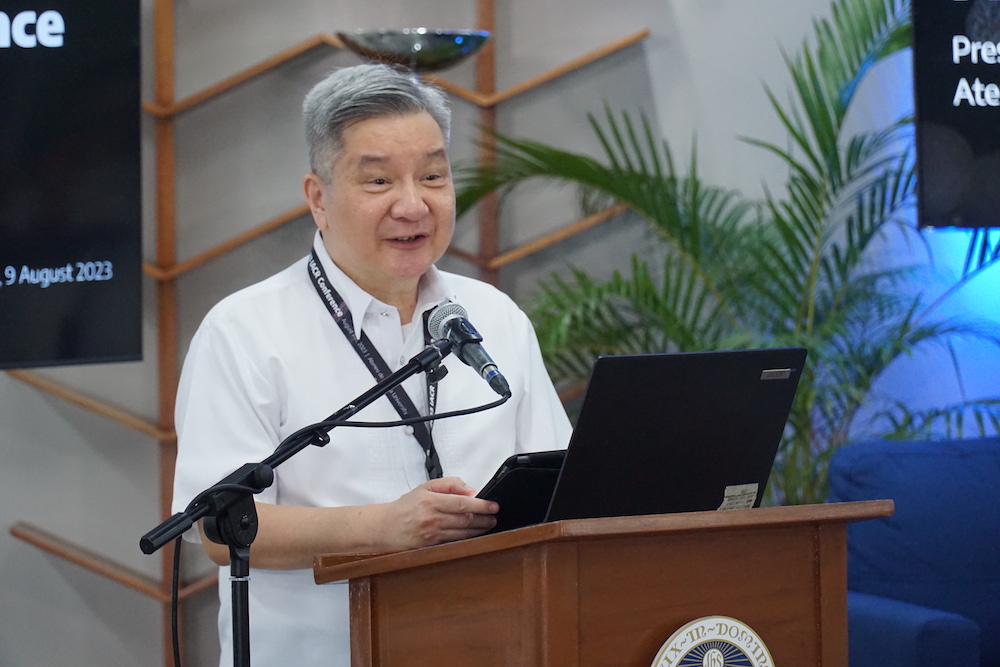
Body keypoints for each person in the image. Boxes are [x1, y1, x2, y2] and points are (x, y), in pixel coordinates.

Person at [170, 63, 573, 666]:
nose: (413, 205)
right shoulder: (245, 331)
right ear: (319, 199)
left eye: (433, 175)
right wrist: (385, 528)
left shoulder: (493, 316)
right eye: (379, 181)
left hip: (488, 645)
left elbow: (559, 484)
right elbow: (220, 528)